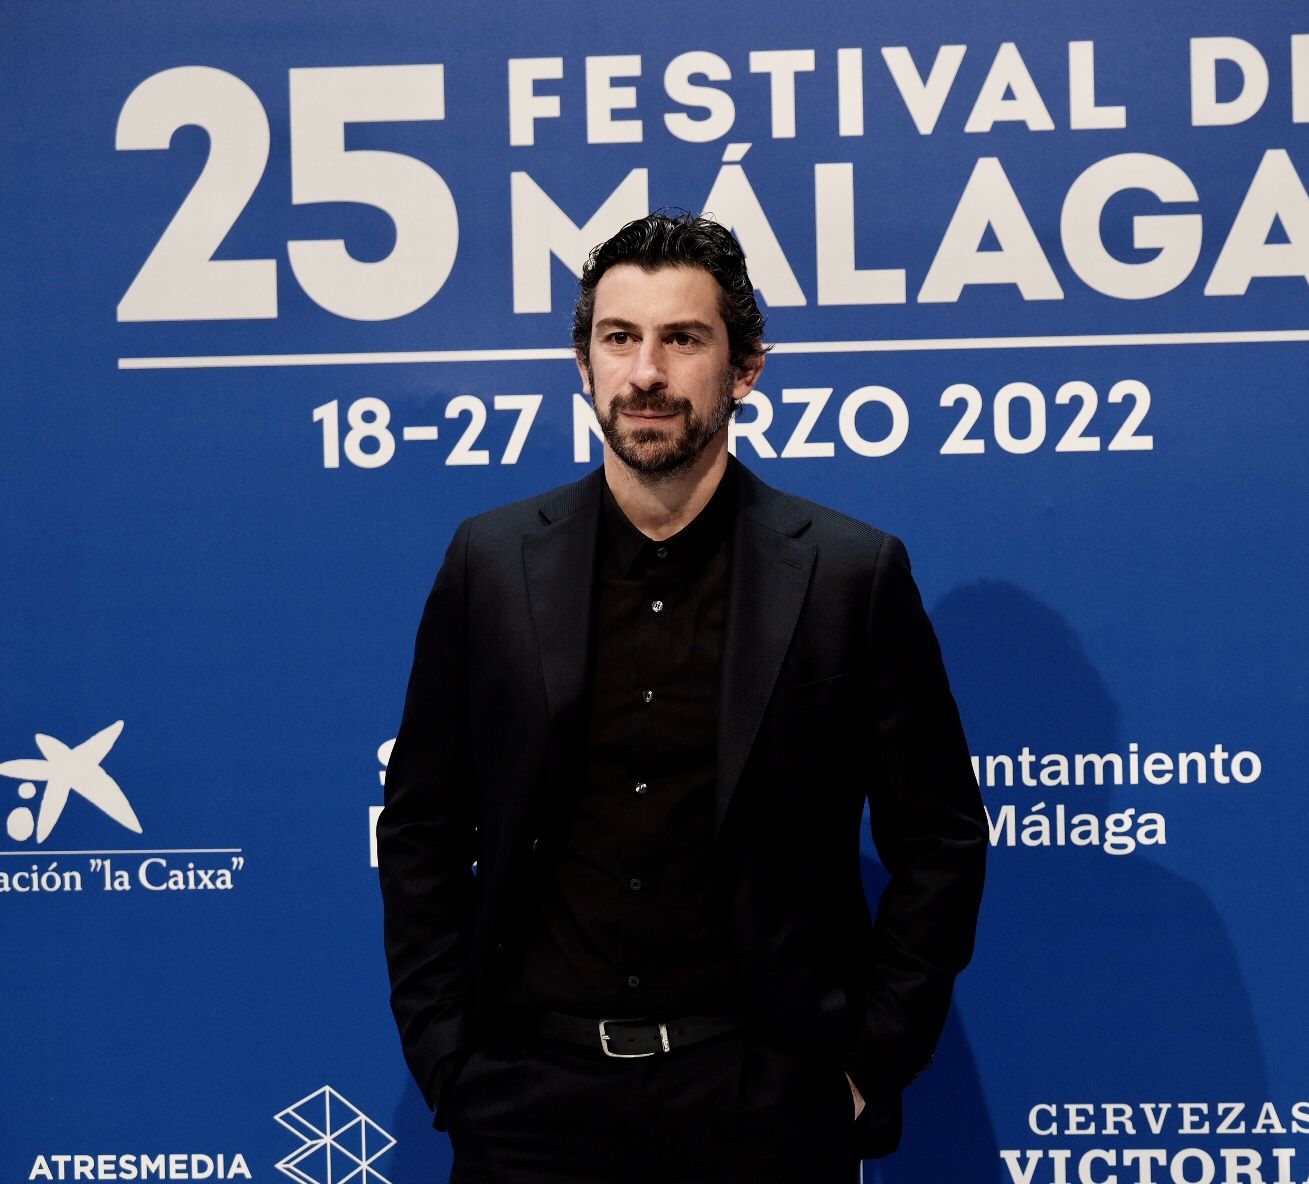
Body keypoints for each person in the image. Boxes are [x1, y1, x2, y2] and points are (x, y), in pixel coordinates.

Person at [377, 211, 987, 1183]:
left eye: (682, 339)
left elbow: (941, 839)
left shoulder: (847, 574)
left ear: (745, 368)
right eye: (619, 338)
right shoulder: (490, 565)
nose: (646, 372)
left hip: (763, 1101)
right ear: (583, 364)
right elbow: (420, 828)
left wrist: (865, 1066)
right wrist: (450, 1057)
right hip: (529, 1104)